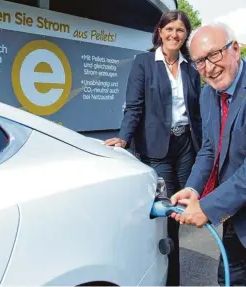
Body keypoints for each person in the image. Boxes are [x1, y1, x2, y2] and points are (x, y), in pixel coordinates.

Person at [170, 22, 246, 286]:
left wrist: (206, 208)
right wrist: (193, 189)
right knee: (229, 280)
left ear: (234, 49)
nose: (209, 68)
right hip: (235, 209)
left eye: (214, 54)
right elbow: (210, 149)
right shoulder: (207, 94)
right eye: (200, 61)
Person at [104, 11, 202, 286]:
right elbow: (134, 107)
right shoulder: (143, 63)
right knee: (166, 215)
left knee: (180, 213)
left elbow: (196, 113)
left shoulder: (190, 68)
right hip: (156, 148)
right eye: (169, 29)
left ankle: (172, 279)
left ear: (186, 35)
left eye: (180, 30)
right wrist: (123, 139)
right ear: (159, 31)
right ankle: (164, 279)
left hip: (186, 147)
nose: (174, 35)